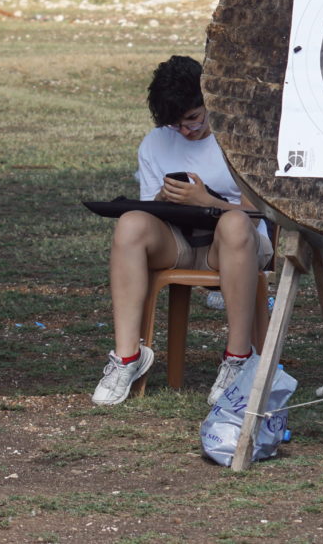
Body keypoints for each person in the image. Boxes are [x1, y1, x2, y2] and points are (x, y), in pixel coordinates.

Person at [91, 56, 273, 407]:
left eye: (193, 118)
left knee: (234, 223)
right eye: (178, 125)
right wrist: (162, 201)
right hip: (180, 241)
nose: (188, 131)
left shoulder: (237, 134)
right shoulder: (155, 143)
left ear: (209, 100)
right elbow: (148, 216)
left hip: (237, 243)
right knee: (131, 222)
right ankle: (127, 356)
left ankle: (238, 357)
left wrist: (206, 200)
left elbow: (257, 213)